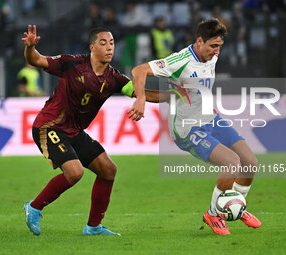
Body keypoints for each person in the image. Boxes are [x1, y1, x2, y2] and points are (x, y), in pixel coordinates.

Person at [130, 18, 261, 235]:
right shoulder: (179, 61)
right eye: (212, 46)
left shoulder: (213, 56)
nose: (216, 51)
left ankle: (235, 205)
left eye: (219, 46)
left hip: (211, 119)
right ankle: (213, 213)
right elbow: (138, 70)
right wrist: (141, 99)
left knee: (250, 162)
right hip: (188, 129)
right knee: (231, 163)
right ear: (199, 41)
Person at [22, 25, 151, 236]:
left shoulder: (114, 78)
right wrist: (30, 48)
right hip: (49, 125)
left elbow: (139, 92)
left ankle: (93, 228)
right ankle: (34, 207)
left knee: (108, 170)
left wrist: (177, 93)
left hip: (74, 131)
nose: (109, 47)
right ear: (92, 47)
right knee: (75, 172)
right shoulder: (71, 63)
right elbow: (36, 60)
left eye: (112, 43)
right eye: (103, 43)